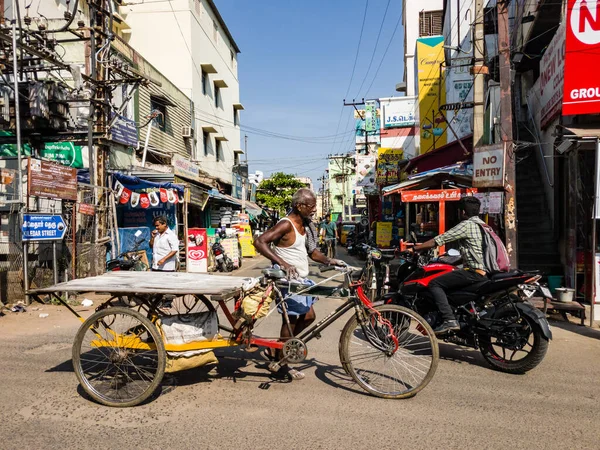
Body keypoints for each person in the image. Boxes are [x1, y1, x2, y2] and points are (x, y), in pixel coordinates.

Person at [254, 188, 345, 380]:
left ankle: (279, 350)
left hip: (301, 281)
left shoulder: (306, 225)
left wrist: (330, 261)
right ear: (299, 205)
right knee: (293, 320)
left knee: (309, 317)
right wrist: (282, 263)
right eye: (311, 206)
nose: (314, 209)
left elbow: (313, 253)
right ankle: (281, 362)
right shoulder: (286, 225)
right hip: (288, 282)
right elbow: (260, 241)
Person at [410, 196, 486, 335]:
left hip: (474, 273)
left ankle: (449, 319)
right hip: (485, 272)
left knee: (434, 283)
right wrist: (450, 261)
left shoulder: (467, 225)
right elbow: (474, 253)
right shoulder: (484, 225)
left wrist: (415, 248)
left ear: (462, 212)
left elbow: (439, 240)